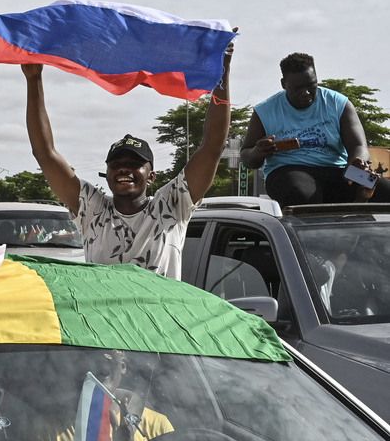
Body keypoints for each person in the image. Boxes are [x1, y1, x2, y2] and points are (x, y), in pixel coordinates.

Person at [21, 37, 235, 279]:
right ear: (107, 173)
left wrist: (222, 70)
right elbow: (45, 154)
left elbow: (213, 145)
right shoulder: (93, 210)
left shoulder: (172, 205)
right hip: (103, 318)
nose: (124, 170)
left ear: (151, 175)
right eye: (116, 165)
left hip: (159, 317)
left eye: (134, 165)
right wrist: (33, 79)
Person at [240, 52, 390, 206]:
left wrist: (357, 163)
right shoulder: (264, 111)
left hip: (338, 169)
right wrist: (257, 152)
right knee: (302, 194)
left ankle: (359, 217)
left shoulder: (338, 103)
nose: (306, 93)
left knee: (383, 189)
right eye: (298, 88)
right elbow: (246, 157)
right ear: (284, 84)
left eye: (311, 85)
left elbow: (358, 146)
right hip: (288, 170)